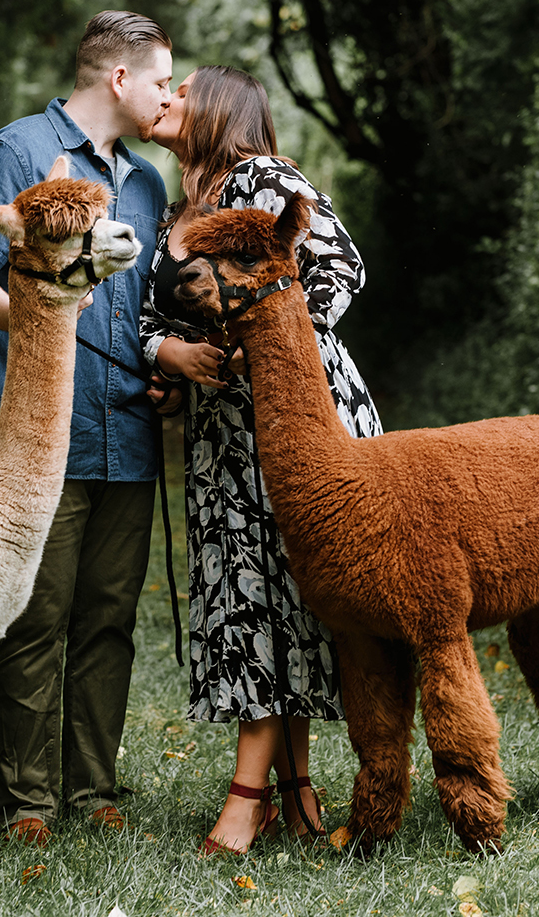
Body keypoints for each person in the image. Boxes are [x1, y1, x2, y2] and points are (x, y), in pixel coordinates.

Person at [139, 65, 384, 854]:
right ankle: (296, 790)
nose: (166, 98)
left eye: (181, 89)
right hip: (220, 433)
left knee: (290, 591)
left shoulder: (263, 179)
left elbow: (342, 270)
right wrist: (170, 355)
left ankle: (249, 801)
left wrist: (259, 346)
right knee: (251, 594)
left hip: (300, 415)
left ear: (214, 110)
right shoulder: (178, 211)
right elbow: (150, 316)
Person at [0, 11, 172, 847]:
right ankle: (28, 801)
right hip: (38, 436)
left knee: (108, 616)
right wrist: (42, 329)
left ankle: (93, 788)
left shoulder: (145, 185)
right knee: (35, 615)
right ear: (119, 77)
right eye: (160, 81)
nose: (168, 97)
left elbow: (146, 305)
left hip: (129, 435)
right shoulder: (16, 151)